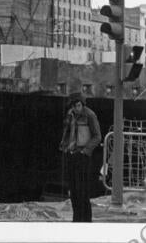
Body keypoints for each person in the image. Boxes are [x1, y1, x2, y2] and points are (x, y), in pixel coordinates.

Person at [59, 91, 101, 222]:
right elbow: (67, 133)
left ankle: (86, 220)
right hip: (71, 154)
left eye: (78, 105)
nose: (76, 108)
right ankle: (76, 218)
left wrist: (85, 151)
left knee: (82, 190)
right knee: (73, 190)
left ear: (82, 104)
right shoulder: (70, 115)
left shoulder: (90, 115)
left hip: (83, 156)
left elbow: (97, 136)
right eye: (73, 106)